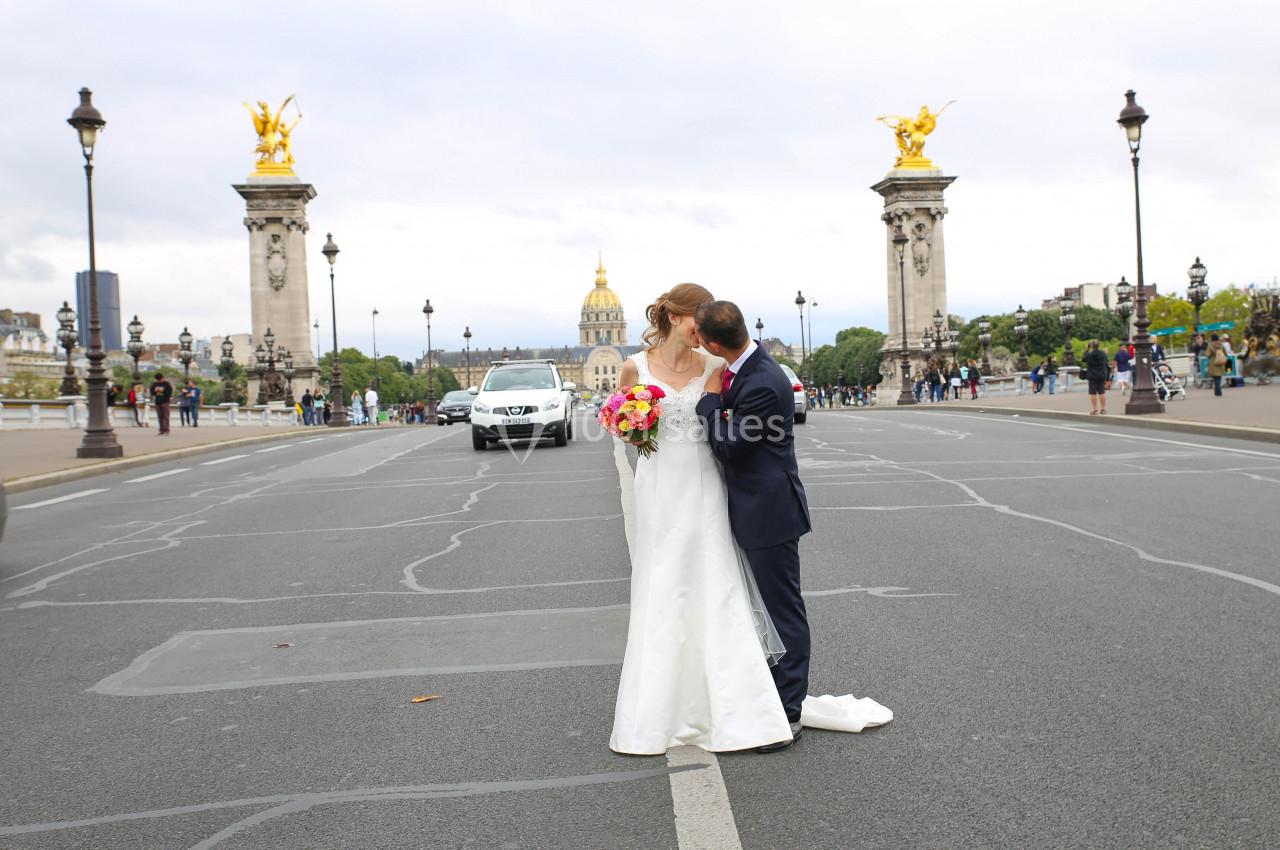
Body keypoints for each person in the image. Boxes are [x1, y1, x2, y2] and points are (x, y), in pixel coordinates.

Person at [1082, 340, 1109, 415]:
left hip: (1092, 375)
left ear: (1091, 346)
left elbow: (1083, 359)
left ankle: (1094, 410)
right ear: (1098, 346)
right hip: (1101, 375)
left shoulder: (1090, 354)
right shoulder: (1102, 353)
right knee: (1102, 392)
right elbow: (1106, 360)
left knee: (1093, 393)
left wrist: (1086, 350)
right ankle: (1103, 409)